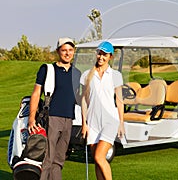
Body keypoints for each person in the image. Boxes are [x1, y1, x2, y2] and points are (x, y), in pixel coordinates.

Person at [28, 37, 81, 180]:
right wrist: (31, 119)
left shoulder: (77, 73)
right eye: (64, 50)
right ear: (58, 51)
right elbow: (36, 93)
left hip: (69, 119)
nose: (67, 53)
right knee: (47, 159)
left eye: (70, 50)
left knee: (59, 160)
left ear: (74, 51)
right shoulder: (47, 69)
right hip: (52, 117)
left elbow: (78, 97)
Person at [80, 41, 125, 180]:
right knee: (96, 160)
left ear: (110, 57)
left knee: (100, 157)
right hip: (92, 122)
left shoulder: (115, 75)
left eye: (104, 54)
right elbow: (84, 100)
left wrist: (121, 122)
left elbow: (119, 101)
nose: (101, 57)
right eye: (99, 53)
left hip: (110, 122)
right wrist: (84, 123)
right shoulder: (87, 75)